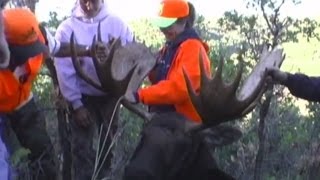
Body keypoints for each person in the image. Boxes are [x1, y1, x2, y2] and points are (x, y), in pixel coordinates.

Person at [124, 0, 235, 179]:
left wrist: (140, 95)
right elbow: (163, 77)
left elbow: (179, 88)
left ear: (183, 21)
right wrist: (147, 68)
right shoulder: (170, 47)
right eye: (162, 27)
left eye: (169, 25)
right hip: (165, 124)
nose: (165, 31)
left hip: (182, 131)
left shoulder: (192, 48)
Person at [54, 0, 133, 179]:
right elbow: (64, 70)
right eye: (84, 1)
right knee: (81, 150)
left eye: (94, 0)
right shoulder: (66, 29)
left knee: (108, 148)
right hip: (83, 98)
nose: (89, 5)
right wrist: (76, 104)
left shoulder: (117, 24)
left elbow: (130, 56)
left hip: (110, 96)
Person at [0, 8, 58, 180]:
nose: (27, 60)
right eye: (22, 54)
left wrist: (58, 84)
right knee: (8, 165)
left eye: (31, 50)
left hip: (24, 103)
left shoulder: (39, 34)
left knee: (44, 156)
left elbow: (57, 49)